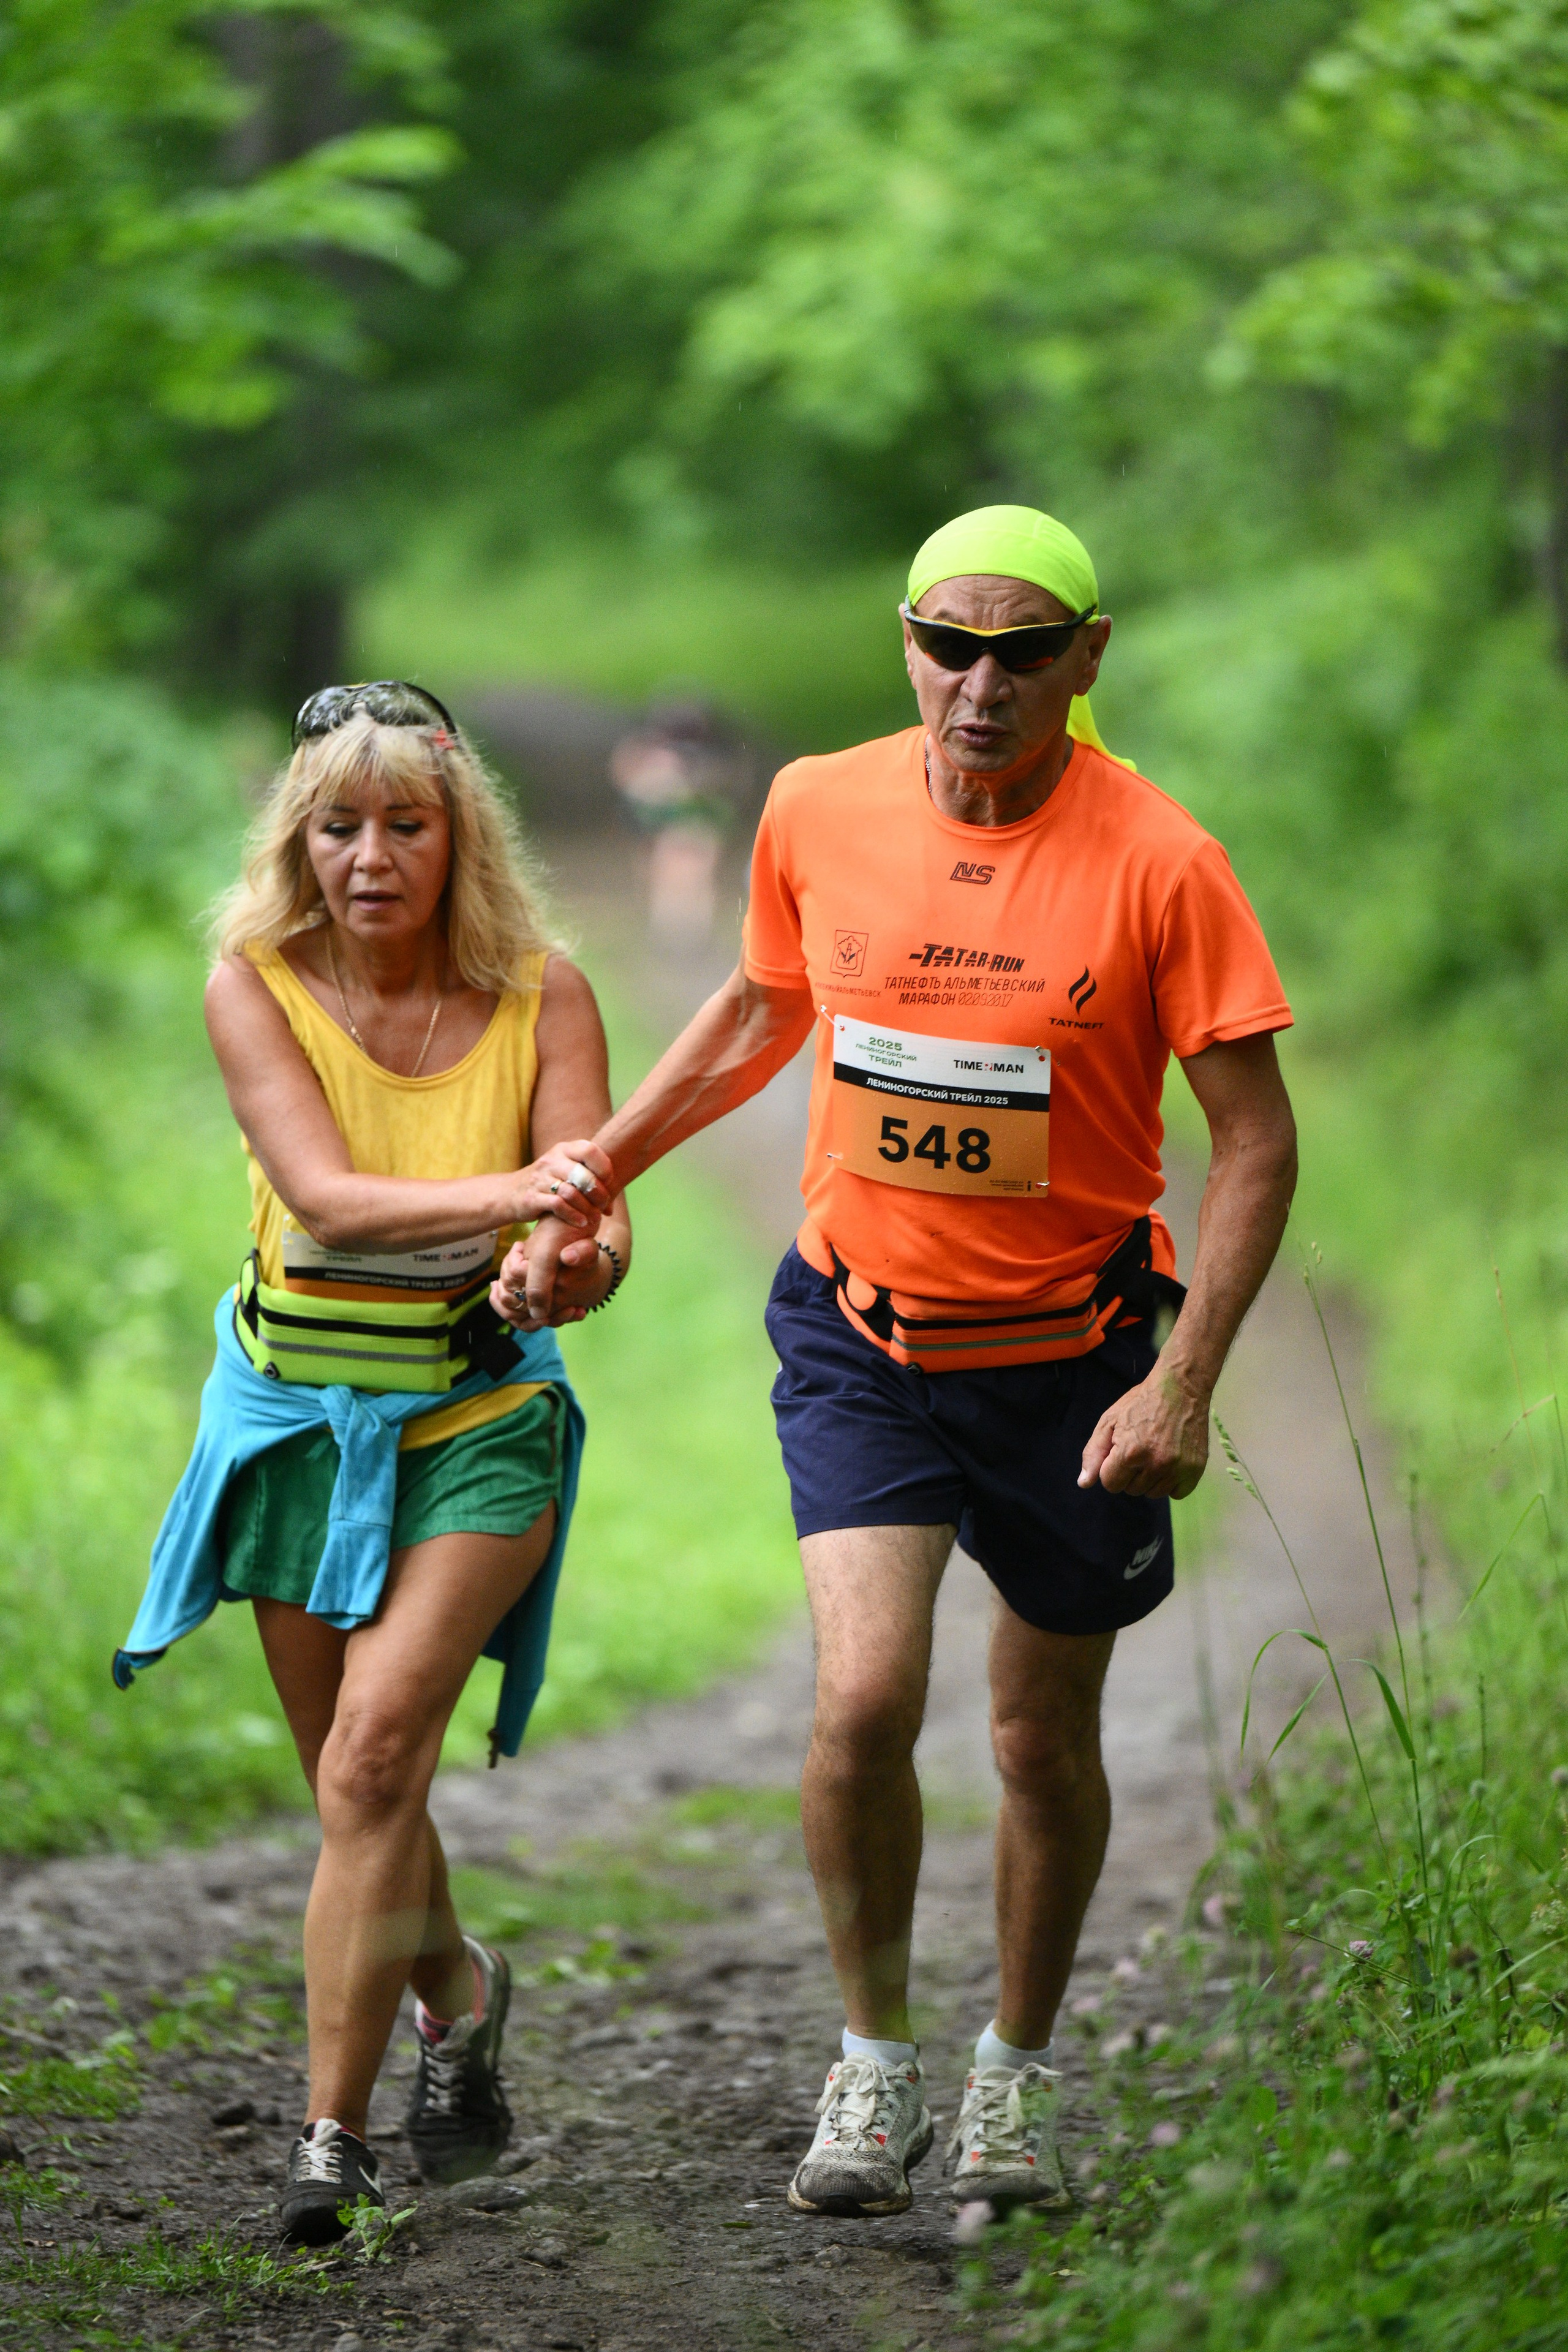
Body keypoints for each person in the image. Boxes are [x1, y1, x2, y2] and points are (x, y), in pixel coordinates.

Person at [500, 509, 1297, 2219]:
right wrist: (596, 1176)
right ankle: (873, 2066)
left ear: (1090, 659)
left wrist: (1185, 1384)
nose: (982, 684)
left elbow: (1254, 1144)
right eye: (951, 643)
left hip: (1079, 1362)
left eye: (1025, 650)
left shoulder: (1164, 858)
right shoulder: (813, 804)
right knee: (862, 1702)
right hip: (860, 1331)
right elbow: (757, 1010)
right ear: (908, 644)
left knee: (1035, 1738)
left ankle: (1015, 2073)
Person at [115, 682, 630, 2244]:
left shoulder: (549, 994)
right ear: (299, 841)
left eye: (406, 824)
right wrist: (519, 1192)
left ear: (458, 838)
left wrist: (567, 1261)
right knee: (361, 1786)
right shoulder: (252, 985)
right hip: (291, 1424)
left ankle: (325, 2144)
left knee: (369, 1760)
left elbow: (593, 1221)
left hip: (475, 1427)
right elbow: (329, 1200)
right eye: (339, 826)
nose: (370, 856)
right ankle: (459, 2001)